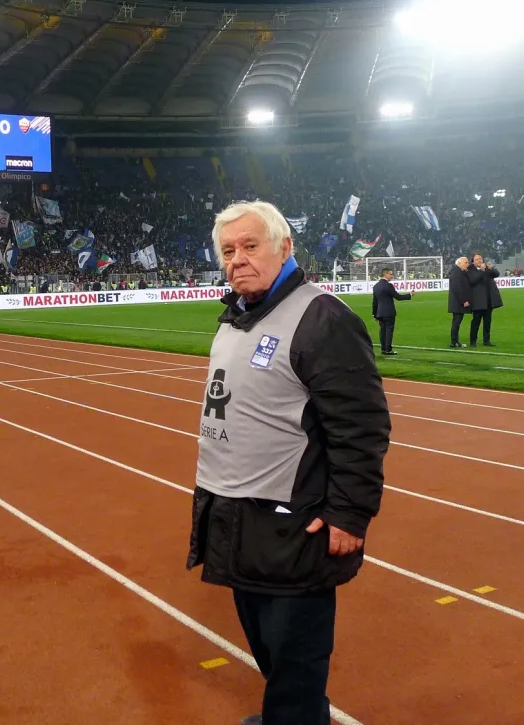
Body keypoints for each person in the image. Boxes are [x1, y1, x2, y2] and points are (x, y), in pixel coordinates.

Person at [186, 201, 391, 725]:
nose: (238, 260)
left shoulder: (322, 319)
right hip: (237, 514)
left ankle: (295, 716)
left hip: (293, 521)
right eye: (228, 251)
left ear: (285, 247)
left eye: (250, 246)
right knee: (268, 645)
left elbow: (361, 427)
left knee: (296, 654)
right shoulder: (235, 316)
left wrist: (350, 513)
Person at [371, 267, 411, 356]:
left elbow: (375, 301)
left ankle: (383, 349)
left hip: (379, 312)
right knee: (389, 330)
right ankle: (388, 349)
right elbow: (398, 297)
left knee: (382, 330)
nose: (392, 276)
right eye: (390, 274)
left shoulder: (376, 286)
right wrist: (409, 295)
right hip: (388, 312)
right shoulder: (388, 285)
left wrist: (374, 314)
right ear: (385, 274)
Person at [467, 253, 503, 347]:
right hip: (478, 301)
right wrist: (482, 271)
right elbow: (472, 281)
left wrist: (491, 268)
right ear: (473, 262)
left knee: (487, 322)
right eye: (477, 259)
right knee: (476, 322)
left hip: (489, 300)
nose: (479, 260)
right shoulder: (470, 270)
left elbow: (496, 274)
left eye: (480, 258)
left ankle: (486, 341)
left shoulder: (487, 268)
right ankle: (473, 341)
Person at [447, 256, 475, 348]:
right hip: (458, 303)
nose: (468, 264)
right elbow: (458, 288)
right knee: (456, 322)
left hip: (457, 302)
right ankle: (454, 342)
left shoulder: (459, 272)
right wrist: (464, 301)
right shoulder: (456, 272)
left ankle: (455, 341)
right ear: (459, 264)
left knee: (457, 322)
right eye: (466, 262)